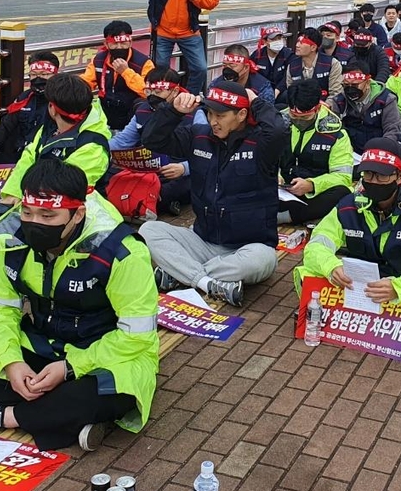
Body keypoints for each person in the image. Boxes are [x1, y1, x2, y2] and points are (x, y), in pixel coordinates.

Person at [0, 159, 158, 452]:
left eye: (48, 215)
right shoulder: (11, 242)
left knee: (106, 393)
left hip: (107, 356)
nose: (34, 223)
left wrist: (68, 369)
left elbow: (135, 337)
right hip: (44, 347)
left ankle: (4, 416)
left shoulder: (123, 252)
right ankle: (62, 417)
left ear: (77, 214)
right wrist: (12, 363)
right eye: (27, 212)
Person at [140, 80, 288, 306]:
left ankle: (182, 274)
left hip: (248, 247)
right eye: (209, 113)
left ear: (241, 115)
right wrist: (173, 111)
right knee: (149, 230)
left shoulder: (261, 143)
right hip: (202, 240)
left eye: (220, 115)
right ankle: (208, 283)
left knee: (262, 261)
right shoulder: (199, 136)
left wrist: (255, 100)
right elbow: (152, 140)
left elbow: (278, 129)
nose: (213, 121)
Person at [294, 139, 401, 303]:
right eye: (368, 174)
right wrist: (332, 267)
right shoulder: (348, 207)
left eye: (382, 176)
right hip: (358, 285)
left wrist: (399, 287)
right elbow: (316, 245)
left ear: (400, 177)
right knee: (308, 273)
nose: (374, 181)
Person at [0, 73, 112, 256]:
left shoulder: (92, 144)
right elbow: (28, 157)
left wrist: (25, 203)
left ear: (52, 108)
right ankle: (20, 241)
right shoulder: (50, 129)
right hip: (36, 203)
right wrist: (13, 193)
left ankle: (24, 245)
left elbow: (64, 190)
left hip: (71, 213)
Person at [138, 0, 220, 95]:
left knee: (200, 68)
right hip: (162, 31)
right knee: (161, 72)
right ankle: (163, 100)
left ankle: (188, 98)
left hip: (189, 31)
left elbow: (212, 1)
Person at [108, 68, 192, 216]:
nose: (153, 96)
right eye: (149, 91)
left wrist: (183, 168)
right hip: (149, 168)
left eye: (158, 92)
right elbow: (123, 141)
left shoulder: (194, 112)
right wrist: (100, 149)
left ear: (175, 91)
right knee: (109, 178)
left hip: (180, 169)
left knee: (179, 187)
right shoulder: (142, 111)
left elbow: (208, 153)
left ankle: (156, 200)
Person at [278, 79, 355, 224]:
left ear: (318, 108)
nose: (299, 121)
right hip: (282, 188)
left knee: (343, 193)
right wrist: (275, 176)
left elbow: (343, 176)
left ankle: (285, 217)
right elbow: (266, 157)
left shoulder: (335, 131)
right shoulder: (278, 122)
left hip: (315, 193)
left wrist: (312, 184)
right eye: (294, 116)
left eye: (305, 117)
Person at [0, 52, 60, 166]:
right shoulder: (24, 98)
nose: (38, 79)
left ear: (55, 75)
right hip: (18, 156)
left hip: (46, 156)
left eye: (44, 74)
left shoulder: (61, 99)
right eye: (33, 74)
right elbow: (5, 126)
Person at [81, 21, 155, 132]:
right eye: (114, 44)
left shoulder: (144, 62)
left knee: (143, 104)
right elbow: (85, 82)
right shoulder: (98, 60)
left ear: (130, 42)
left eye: (123, 43)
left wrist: (126, 72)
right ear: (106, 44)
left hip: (131, 109)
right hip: (106, 108)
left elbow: (149, 91)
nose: (119, 47)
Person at [328, 60, 401, 150]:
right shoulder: (339, 101)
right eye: (346, 85)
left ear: (367, 82)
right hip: (349, 150)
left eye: (355, 85)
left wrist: (381, 150)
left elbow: (392, 131)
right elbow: (334, 130)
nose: (350, 89)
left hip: (379, 149)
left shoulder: (386, 99)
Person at [283, 27, 342, 99]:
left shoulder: (332, 64)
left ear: (313, 47)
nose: (297, 45)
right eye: (297, 41)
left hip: (325, 106)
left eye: (302, 42)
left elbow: (336, 94)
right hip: (300, 107)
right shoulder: (292, 66)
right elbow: (291, 93)